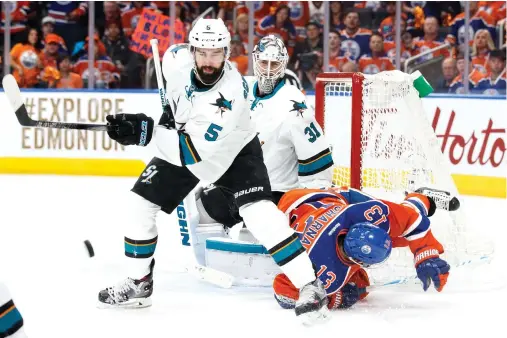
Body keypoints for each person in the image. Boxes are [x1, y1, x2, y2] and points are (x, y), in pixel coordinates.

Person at [98, 18, 328, 323]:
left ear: (227, 52)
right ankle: (139, 282)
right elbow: (175, 117)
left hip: (234, 155)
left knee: (260, 214)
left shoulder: (231, 94)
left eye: (216, 53)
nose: (209, 61)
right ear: (192, 50)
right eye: (203, 52)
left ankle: (309, 285)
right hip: (186, 145)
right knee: (139, 203)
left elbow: (194, 153)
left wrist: (145, 132)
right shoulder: (177, 70)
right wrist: (144, 125)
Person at [194, 35, 333, 275]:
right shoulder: (240, 89)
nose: (268, 71)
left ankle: (281, 258)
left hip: (277, 192)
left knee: (258, 222)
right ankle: (208, 265)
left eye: (274, 64)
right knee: (202, 202)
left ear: (284, 65)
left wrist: (311, 204)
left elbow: (318, 158)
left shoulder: (293, 104)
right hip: (242, 183)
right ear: (255, 60)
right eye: (264, 63)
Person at [273, 187, 452, 310]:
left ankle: (420, 198)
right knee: (361, 284)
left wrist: (426, 255)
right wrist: (337, 298)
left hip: (333, 200)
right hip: (291, 207)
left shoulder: (363, 214)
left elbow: (412, 221)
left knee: (405, 229)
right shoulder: (316, 264)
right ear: (357, 261)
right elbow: (282, 291)